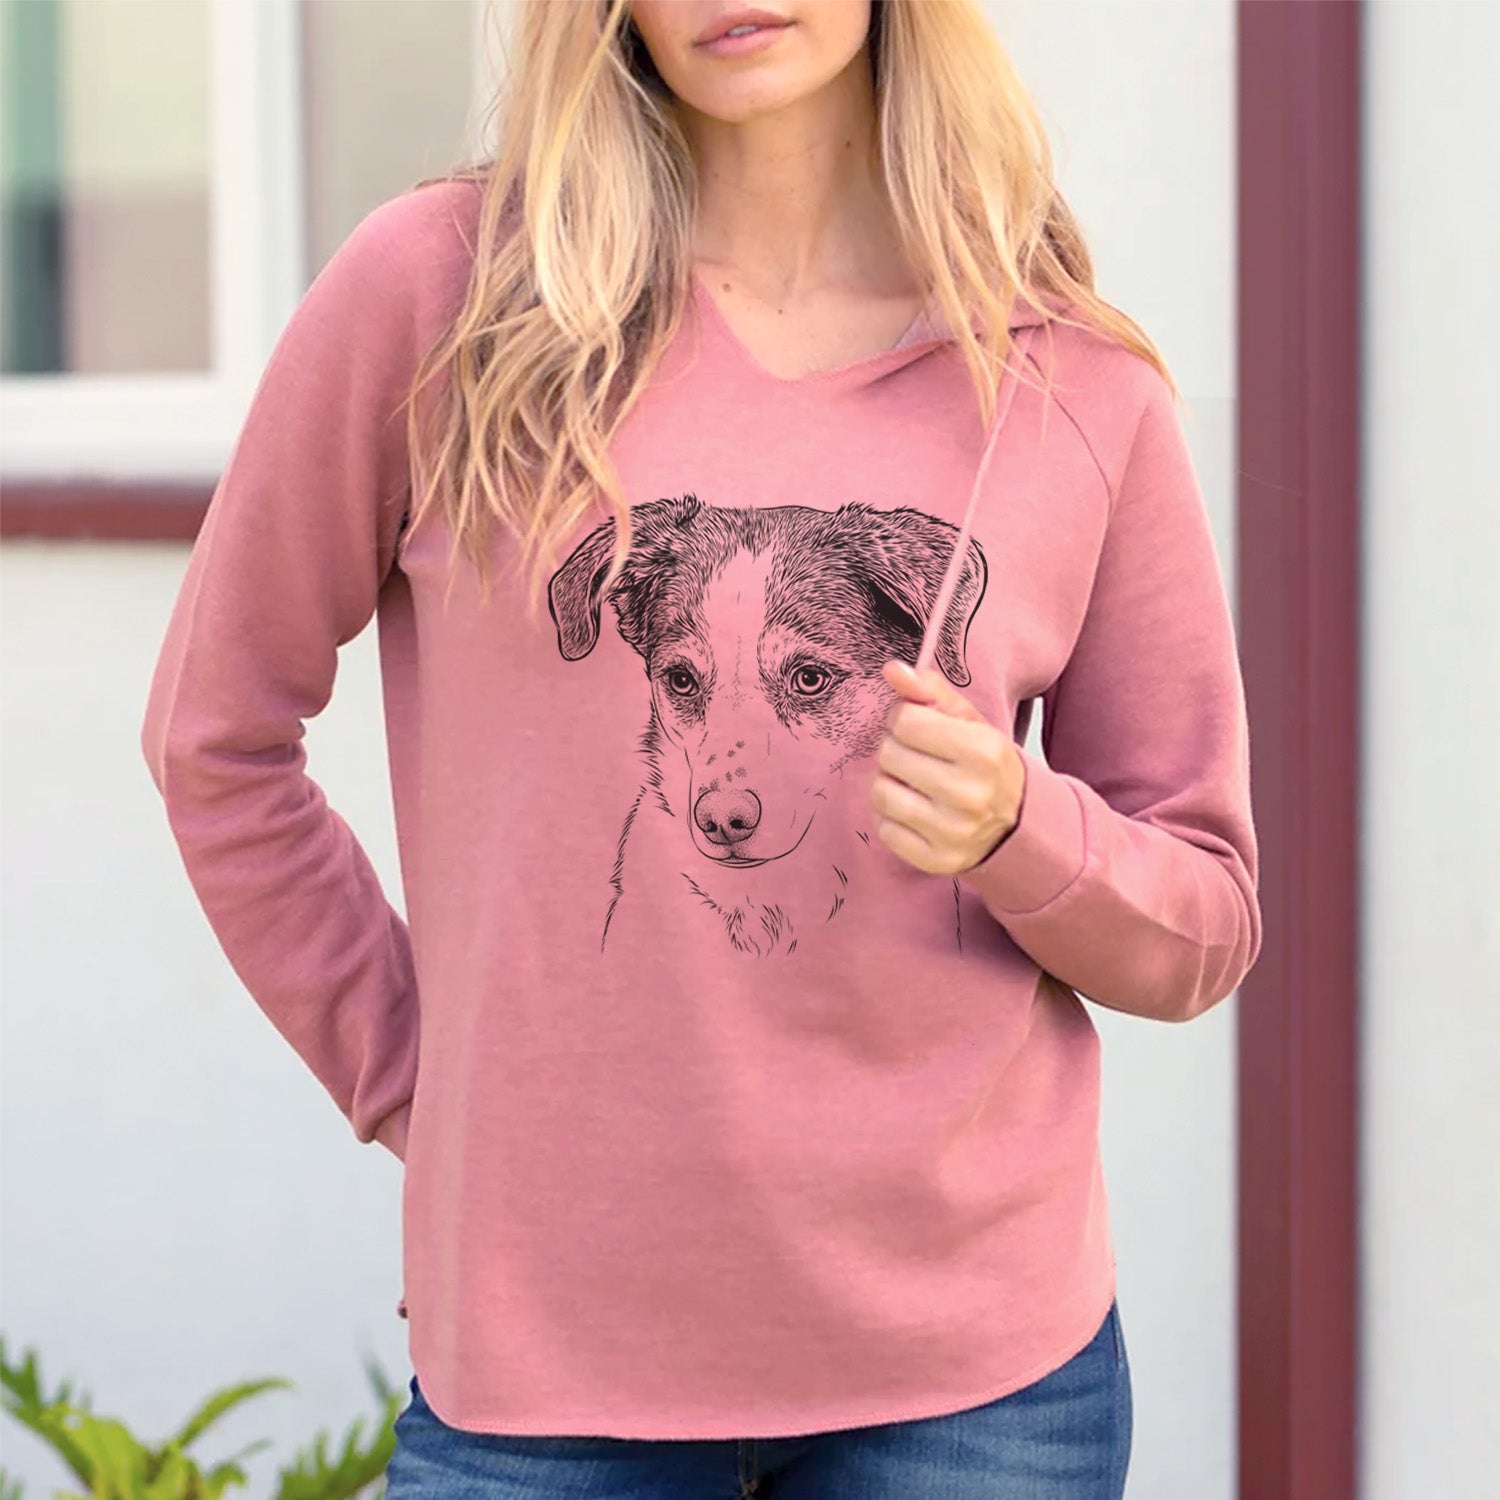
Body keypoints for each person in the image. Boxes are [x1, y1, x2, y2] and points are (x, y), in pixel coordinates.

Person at [140, 1, 1261, 1495]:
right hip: (549, 1374)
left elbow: (1202, 923)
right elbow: (214, 737)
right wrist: (415, 1075)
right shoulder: (445, 299)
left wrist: (1019, 830)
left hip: (974, 1392)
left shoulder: (1065, 382)